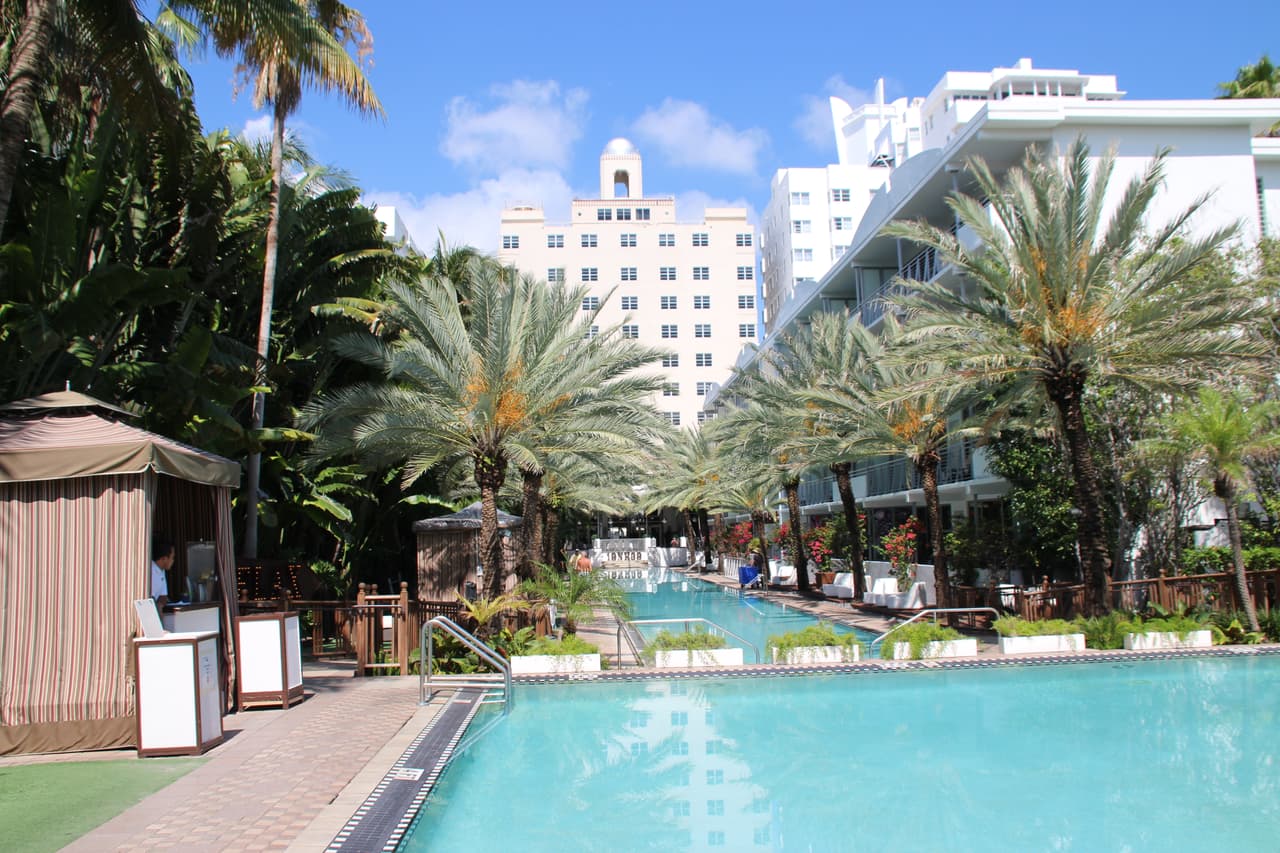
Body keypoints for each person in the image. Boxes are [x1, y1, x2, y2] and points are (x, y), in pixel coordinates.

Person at [151, 536, 174, 608]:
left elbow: (163, 596)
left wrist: (160, 605)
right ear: (164, 558)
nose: (173, 561)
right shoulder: (150, 571)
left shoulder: (162, 570)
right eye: (172, 558)